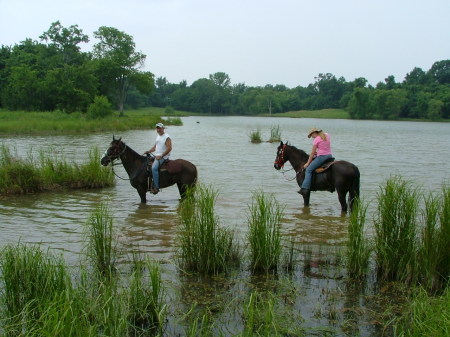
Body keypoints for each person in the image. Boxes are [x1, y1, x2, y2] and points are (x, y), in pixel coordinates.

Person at [298, 127, 333, 195]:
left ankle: (305, 188)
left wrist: (307, 163)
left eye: (311, 135)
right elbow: (324, 147)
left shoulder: (316, 139)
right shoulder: (327, 135)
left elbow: (312, 153)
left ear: (314, 133)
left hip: (322, 157)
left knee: (308, 170)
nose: (312, 137)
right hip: (329, 156)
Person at [144, 122, 172, 194]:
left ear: (163, 128)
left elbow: (169, 148)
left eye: (159, 128)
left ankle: (156, 187)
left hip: (164, 156)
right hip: (157, 155)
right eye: (157, 128)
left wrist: (161, 155)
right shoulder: (158, 136)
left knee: (154, 168)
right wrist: (149, 151)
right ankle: (148, 185)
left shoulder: (167, 137)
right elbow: (155, 147)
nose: (158, 129)